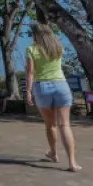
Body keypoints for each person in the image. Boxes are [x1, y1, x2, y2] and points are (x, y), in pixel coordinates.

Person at [25, 23, 80, 172]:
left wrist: (28, 91)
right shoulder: (58, 47)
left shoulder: (31, 49)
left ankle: (54, 153)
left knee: (50, 125)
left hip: (42, 87)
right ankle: (72, 163)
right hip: (61, 85)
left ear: (35, 35)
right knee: (65, 125)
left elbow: (30, 72)